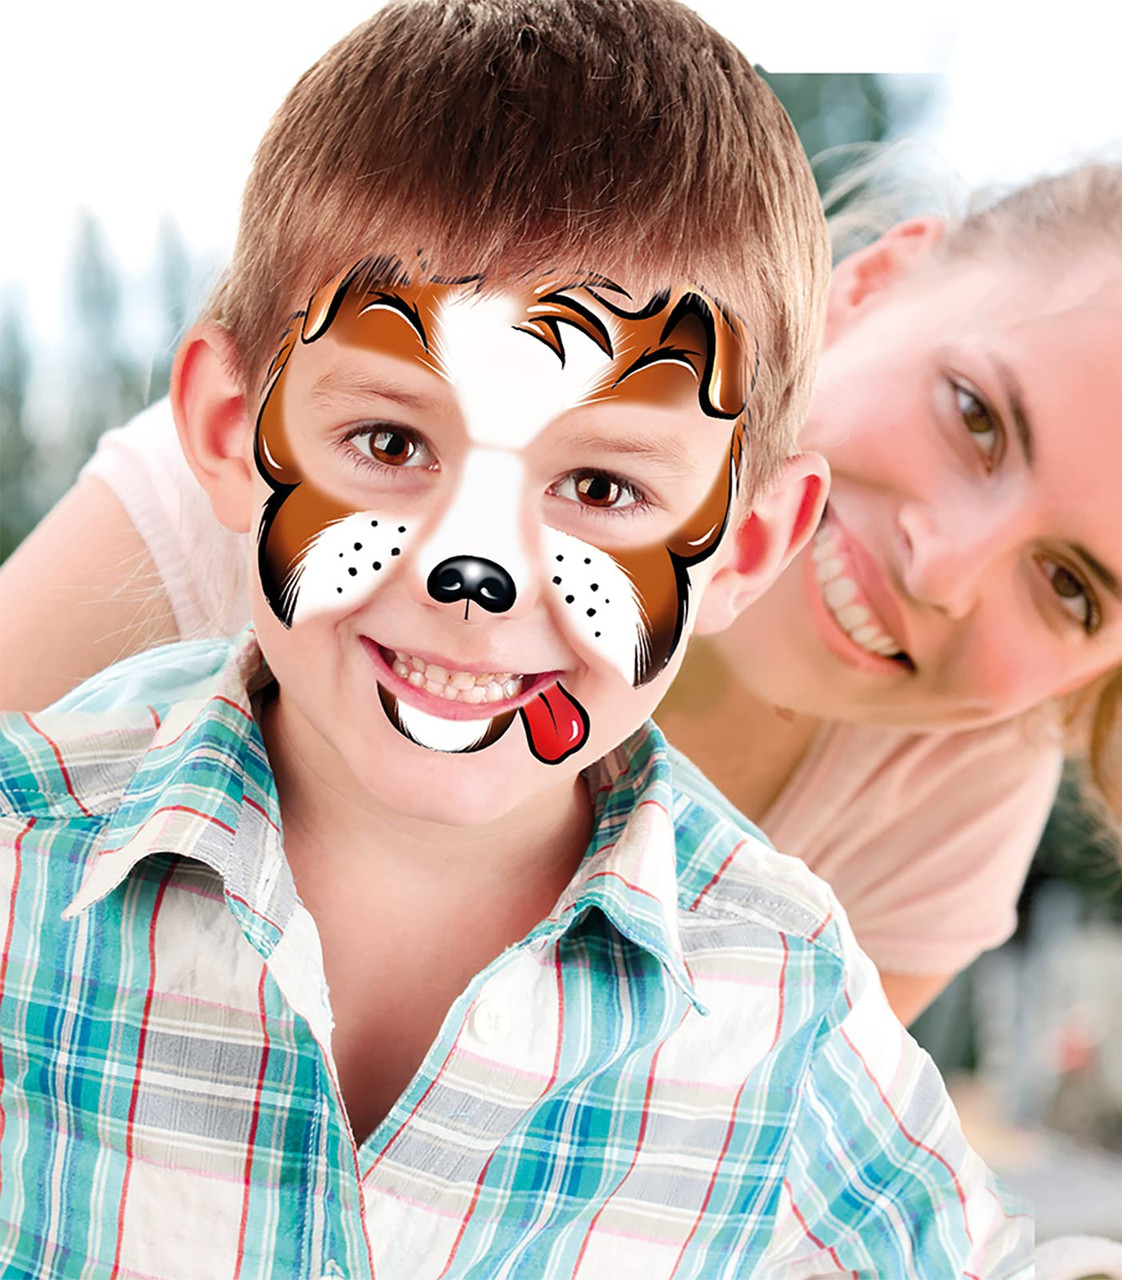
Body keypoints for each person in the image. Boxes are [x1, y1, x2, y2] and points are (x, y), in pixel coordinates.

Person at [0, 2, 1033, 1277]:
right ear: (226, 429)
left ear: (748, 546)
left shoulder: (787, 1000)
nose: (472, 572)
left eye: (601, 489)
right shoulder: (20, 860)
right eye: (390, 444)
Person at [5, 153, 1122, 1031]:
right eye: (974, 417)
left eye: (1067, 587)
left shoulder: (950, 788)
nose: (941, 568)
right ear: (873, 284)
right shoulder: (303, 492)